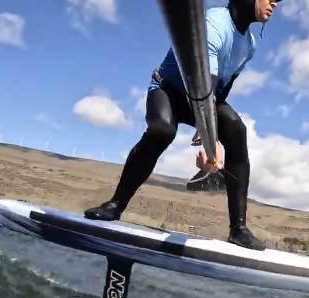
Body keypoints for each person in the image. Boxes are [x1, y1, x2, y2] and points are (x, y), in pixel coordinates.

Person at [84, 0, 280, 251]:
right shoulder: (213, 24)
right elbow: (204, 81)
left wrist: (211, 129)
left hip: (205, 95)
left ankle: (238, 229)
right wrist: (210, 139)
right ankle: (115, 205)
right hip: (168, 90)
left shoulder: (250, 45)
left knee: (236, 130)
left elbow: (223, 87)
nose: (275, 2)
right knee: (162, 131)